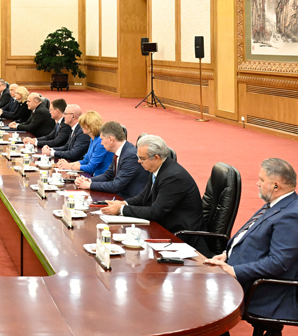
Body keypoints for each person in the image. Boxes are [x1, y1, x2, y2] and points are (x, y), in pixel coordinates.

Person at [205, 158, 298, 335]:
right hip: (245, 275)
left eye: (261, 180)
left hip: (262, 289)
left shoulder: (292, 215)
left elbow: (278, 263)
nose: (257, 183)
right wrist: (227, 254)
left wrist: (234, 271)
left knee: (200, 301)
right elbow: (252, 239)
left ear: (276, 185)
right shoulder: (277, 204)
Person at [100, 135, 209, 256]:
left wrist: (121, 209)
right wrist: (124, 203)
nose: (139, 161)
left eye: (142, 158)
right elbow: (144, 196)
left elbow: (156, 212)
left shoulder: (173, 177)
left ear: (156, 157)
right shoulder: (157, 168)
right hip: (164, 228)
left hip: (181, 237)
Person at [75, 121, 146, 199]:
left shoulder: (130, 156)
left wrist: (89, 185)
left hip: (128, 199)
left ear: (111, 139)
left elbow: (116, 186)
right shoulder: (120, 151)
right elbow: (108, 175)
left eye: (102, 139)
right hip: (119, 196)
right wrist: (89, 180)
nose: (101, 143)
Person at [56, 110, 113, 176]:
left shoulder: (101, 142)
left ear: (88, 126)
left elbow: (90, 168)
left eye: (82, 124)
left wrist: (69, 166)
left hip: (100, 177)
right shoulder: (93, 139)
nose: (81, 126)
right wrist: (66, 165)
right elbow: (86, 160)